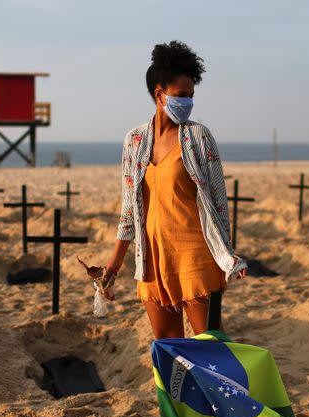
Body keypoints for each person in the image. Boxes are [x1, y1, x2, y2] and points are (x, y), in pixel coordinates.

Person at [105, 41, 247, 339]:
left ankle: (241, 387)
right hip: (153, 260)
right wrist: (114, 264)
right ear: (160, 95)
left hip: (194, 256)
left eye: (191, 96)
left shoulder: (198, 137)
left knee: (209, 346)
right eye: (182, 96)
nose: (188, 103)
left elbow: (219, 204)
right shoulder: (134, 142)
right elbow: (129, 209)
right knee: (168, 349)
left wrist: (227, 255)